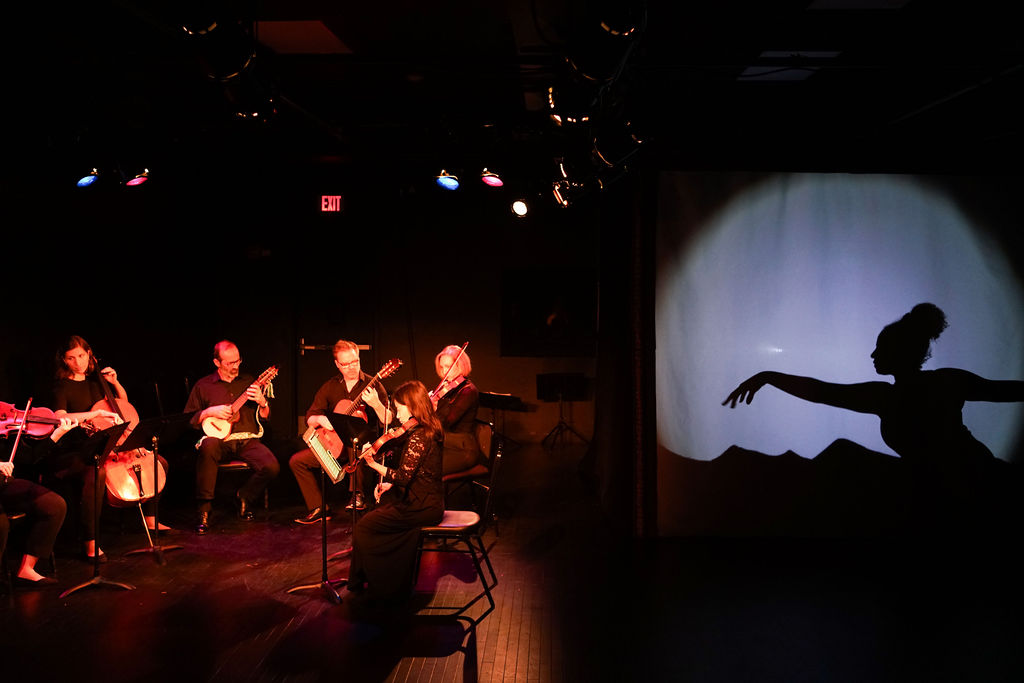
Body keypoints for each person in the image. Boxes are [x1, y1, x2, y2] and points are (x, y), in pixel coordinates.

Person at [723, 303, 1024, 523]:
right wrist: (768, 376)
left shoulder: (901, 393)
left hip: (976, 483)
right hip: (944, 488)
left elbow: (822, 392)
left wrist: (767, 377)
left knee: (843, 455)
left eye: (880, 348)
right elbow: (821, 391)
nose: (873, 355)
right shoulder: (915, 388)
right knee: (844, 455)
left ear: (899, 352)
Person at [52, 334, 169, 561]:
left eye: (81, 356)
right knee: (96, 474)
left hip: (109, 444)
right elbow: (60, 418)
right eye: (71, 358)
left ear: (89, 354)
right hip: (79, 448)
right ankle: (90, 541)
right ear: (64, 360)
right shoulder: (62, 387)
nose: (78, 362)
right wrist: (94, 414)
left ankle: (151, 519)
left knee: (159, 462)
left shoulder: (97, 382)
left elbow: (121, 404)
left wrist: (115, 383)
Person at [347, 380, 444, 603]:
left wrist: (373, 465)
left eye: (399, 409)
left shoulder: (420, 435)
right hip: (424, 500)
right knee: (377, 513)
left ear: (412, 406)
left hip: (422, 506)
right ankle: (374, 579)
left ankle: (380, 584)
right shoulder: (428, 429)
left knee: (364, 526)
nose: (397, 415)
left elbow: (402, 477)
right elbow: (422, 473)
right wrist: (389, 484)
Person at [289, 340, 391, 524]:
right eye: (345, 364)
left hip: (363, 447)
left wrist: (376, 404)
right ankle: (318, 507)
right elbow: (310, 417)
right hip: (334, 447)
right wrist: (321, 420)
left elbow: (388, 420)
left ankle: (357, 495)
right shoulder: (331, 386)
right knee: (297, 461)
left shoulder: (372, 384)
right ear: (337, 364)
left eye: (355, 361)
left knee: (354, 440)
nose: (351, 367)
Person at [184, 340, 280, 534]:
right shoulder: (203, 386)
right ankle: (204, 510)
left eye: (238, 361)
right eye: (230, 363)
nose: (236, 366)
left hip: (246, 439)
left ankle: (244, 496)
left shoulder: (250, 382)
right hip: (219, 440)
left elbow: (266, 417)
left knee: (272, 467)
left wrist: (262, 402)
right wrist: (210, 411)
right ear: (217, 363)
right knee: (208, 446)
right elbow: (189, 419)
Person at [1, 415, 74, 588]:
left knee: (54, 505)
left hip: (3, 482)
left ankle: (26, 569)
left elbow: (29, 457)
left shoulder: (5, 428)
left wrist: (56, 435)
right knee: (1, 524)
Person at [430, 345, 481, 475]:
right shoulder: (448, 389)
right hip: (444, 444)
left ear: (460, 366)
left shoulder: (468, 391)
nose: (444, 371)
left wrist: (434, 408)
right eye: (442, 367)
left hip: (461, 449)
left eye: (448, 367)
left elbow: (446, 422)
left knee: (428, 469)